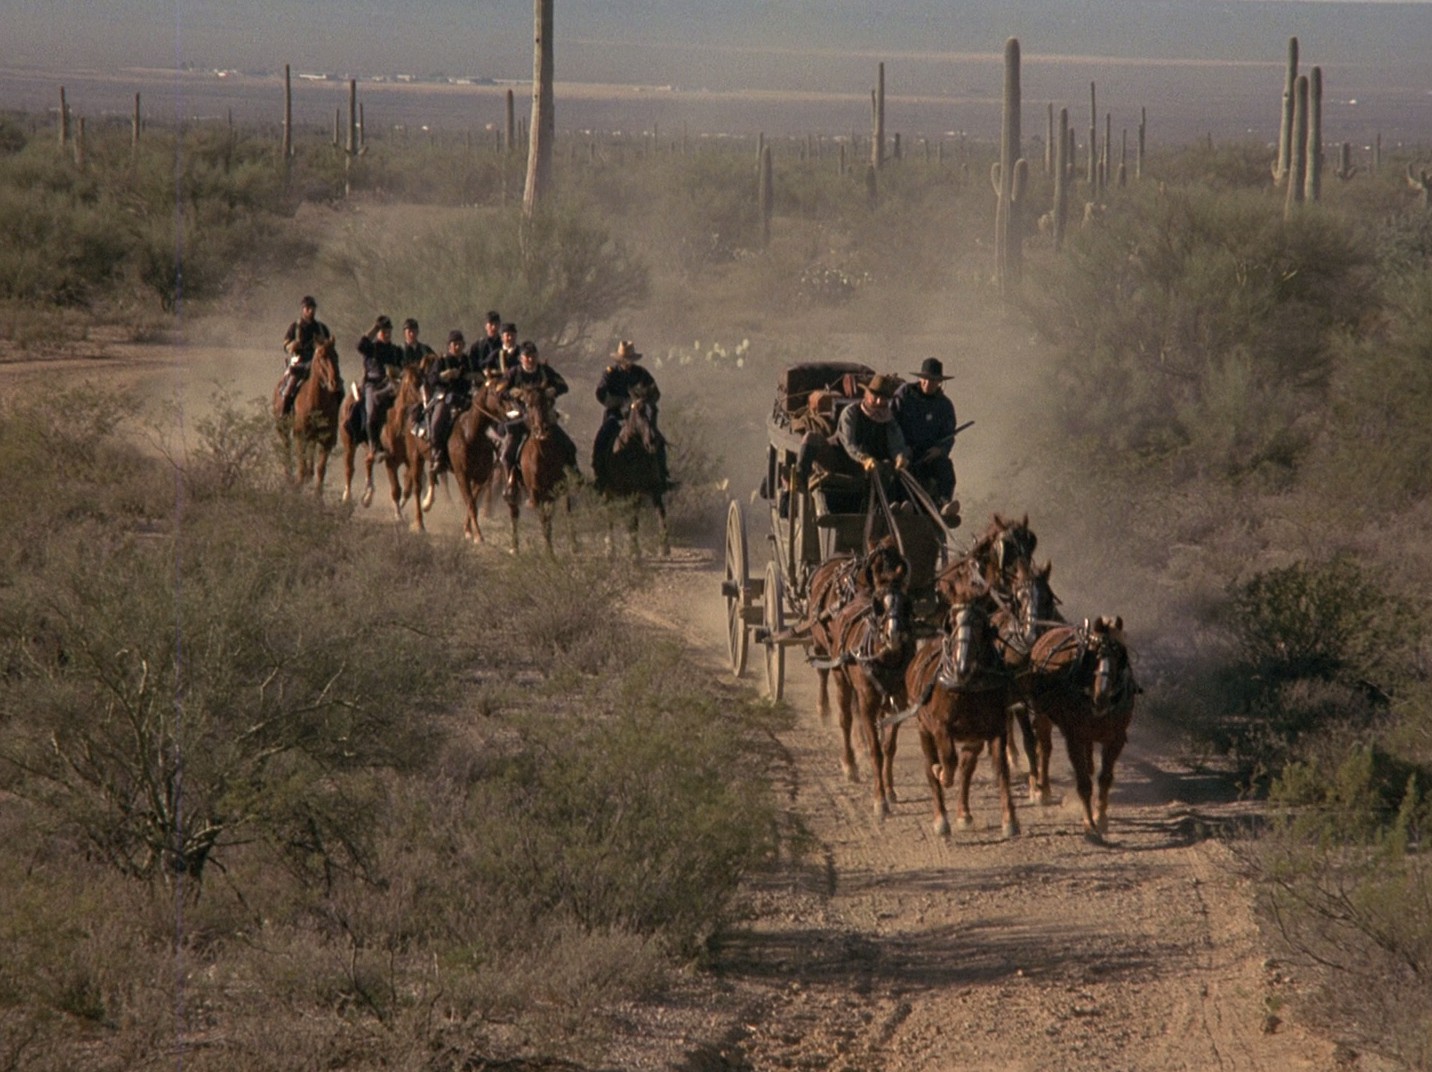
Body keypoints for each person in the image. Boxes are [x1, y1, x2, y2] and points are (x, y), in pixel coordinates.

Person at [499, 340, 573, 500]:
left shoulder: (545, 370)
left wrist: (553, 390)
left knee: (569, 446)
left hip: (545, 417)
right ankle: (511, 485)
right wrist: (514, 393)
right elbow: (499, 390)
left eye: (533, 356)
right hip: (521, 417)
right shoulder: (513, 373)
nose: (531, 359)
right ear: (521, 358)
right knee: (507, 453)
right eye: (527, 356)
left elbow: (563, 385)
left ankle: (574, 479)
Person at [592, 339, 670, 490]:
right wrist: (622, 403)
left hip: (639, 416)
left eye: (630, 359)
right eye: (625, 359)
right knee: (602, 437)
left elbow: (655, 393)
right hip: (616, 416)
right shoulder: (610, 373)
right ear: (619, 359)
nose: (628, 362)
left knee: (657, 439)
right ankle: (600, 476)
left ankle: (662, 474)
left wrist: (643, 401)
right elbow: (600, 394)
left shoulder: (641, 373)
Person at [893, 357, 961, 524]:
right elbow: (891, 424)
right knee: (900, 472)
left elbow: (949, 435)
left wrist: (940, 449)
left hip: (929, 454)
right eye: (925, 379)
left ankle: (944, 504)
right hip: (902, 451)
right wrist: (901, 450)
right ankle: (903, 505)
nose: (928, 383)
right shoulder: (904, 395)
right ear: (920, 378)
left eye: (933, 380)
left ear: (940, 382)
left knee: (945, 467)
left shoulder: (945, 406)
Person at [836, 373, 911, 481]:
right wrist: (864, 459)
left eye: (883, 398)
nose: (878, 402)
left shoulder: (889, 419)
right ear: (866, 394)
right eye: (875, 397)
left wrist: (900, 457)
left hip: (876, 468)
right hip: (847, 463)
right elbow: (849, 444)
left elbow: (896, 445)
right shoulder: (851, 413)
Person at [422, 330, 472, 474]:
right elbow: (431, 379)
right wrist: (444, 375)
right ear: (449, 346)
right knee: (437, 422)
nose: (457, 347)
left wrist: (471, 376)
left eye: (460, 344)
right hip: (445, 397)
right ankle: (437, 454)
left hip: (465, 397)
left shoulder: (468, 361)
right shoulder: (441, 361)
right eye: (454, 344)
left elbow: (478, 374)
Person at [356, 315, 403, 458]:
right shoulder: (371, 347)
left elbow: (403, 368)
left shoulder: (396, 350)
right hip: (373, 384)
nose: (387, 335)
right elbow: (359, 345)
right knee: (371, 413)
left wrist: (396, 371)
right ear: (378, 333)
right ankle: (374, 446)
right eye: (383, 332)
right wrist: (375, 327)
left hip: (391, 384)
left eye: (389, 332)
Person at [278, 295, 334, 415]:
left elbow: (329, 346)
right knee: (288, 391)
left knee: (336, 386)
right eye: (308, 308)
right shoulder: (295, 327)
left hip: (320, 363)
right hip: (301, 363)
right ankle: (285, 416)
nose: (310, 311)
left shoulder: (322, 328)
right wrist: (292, 346)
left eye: (312, 308)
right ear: (303, 309)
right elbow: (285, 345)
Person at [468, 310, 502, 375]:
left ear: (499, 325)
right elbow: (471, 364)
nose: (494, 327)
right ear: (486, 326)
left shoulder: (503, 345)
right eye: (491, 324)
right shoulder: (478, 346)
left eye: (496, 324)